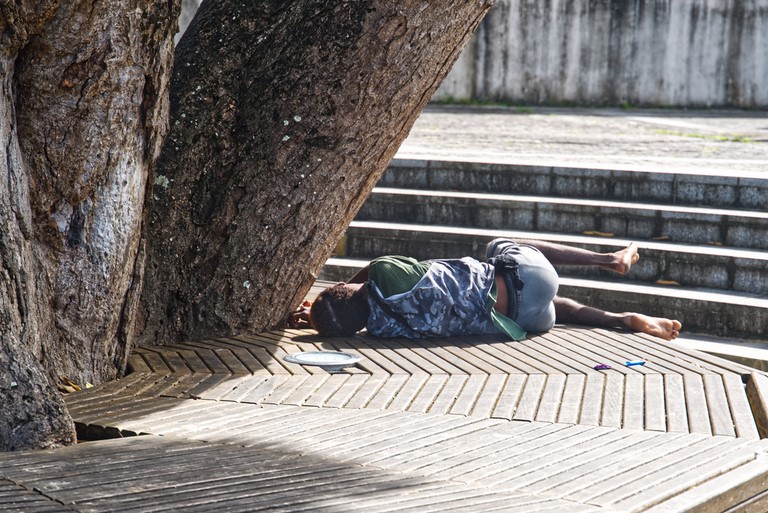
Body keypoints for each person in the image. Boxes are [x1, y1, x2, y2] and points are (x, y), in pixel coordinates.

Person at [289, 238, 682, 341]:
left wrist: (321, 322)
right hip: (530, 276)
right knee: (500, 245)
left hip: (520, 321)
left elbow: (348, 315)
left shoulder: (380, 330)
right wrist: (335, 296)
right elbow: (374, 270)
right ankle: (608, 259)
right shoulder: (386, 276)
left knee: (559, 308)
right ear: (342, 287)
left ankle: (622, 319)